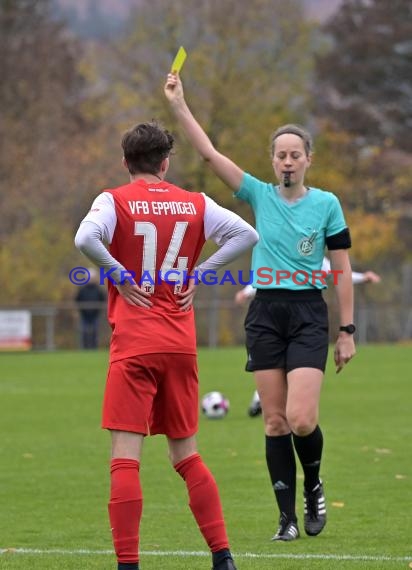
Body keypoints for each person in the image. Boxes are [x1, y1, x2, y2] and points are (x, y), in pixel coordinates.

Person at [164, 72, 356, 542]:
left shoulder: (328, 204)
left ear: (308, 160)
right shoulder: (258, 194)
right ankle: (287, 519)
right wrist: (179, 106)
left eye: (295, 154)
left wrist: (346, 330)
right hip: (266, 313)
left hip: (310, 314)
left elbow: (343, 269)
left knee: (301, 419)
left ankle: (313, 485)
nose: (287, 161)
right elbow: (209, 155)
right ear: (272, 161)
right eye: (281, 154)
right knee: (273, 421)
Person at [74, 120, 258, 570]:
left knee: (125, 461)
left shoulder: (112, 199)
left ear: (125, 162)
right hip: (180, 342)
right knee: (187, 455)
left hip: (135, 344)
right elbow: (247, 234)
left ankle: (128, 565)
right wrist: (201, 273)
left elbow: (85, 238)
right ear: (165, 162)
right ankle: (223, 556)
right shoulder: (194, 202)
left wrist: (117, 274)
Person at [235, 259, 381, 417]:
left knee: (291, 371)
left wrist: (362, 277)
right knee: (277, 371)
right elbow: (265, 274)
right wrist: (247, 291)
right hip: (271, 320)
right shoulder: (274, 248)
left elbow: (338, 272)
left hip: (305, 320)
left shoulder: (312, 251)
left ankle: (270, 403)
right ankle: (262, 400)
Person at [75, 267, 106, 349]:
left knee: (95, 332)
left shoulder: (98, 289)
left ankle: (94, 347)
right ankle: (84, 348)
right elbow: (77, 300)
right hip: (84, 315)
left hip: (95, 314)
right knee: (84, 332)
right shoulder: (82, 289)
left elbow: (102, 299)